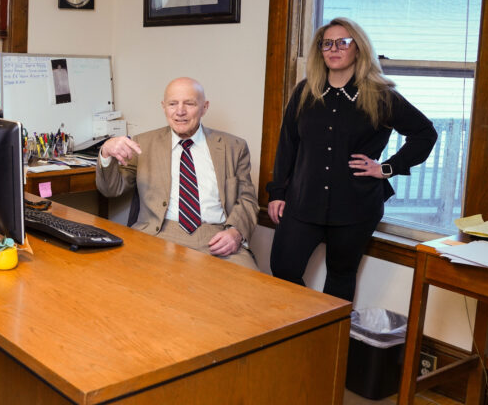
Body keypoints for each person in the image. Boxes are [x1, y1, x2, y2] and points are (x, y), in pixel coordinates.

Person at [267, 18, 437, 302]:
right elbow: (288, 145)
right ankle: (303, 332)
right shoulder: (305, 92)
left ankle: (327, 342)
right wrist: (277, 193)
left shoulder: (380, 96)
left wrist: (386, 168)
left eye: (343, 42)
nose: (334, 48)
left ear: (358, 49)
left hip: (355, 205)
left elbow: (424, 133)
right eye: (327, 43)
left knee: (340, 277)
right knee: (283, 268)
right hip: (303, 201)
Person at [96, 77, 258, 269]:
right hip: (158, 234)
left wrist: (235, 233)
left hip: (216, 238)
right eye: (173, 104)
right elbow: (110, 189)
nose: (180, 111)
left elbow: (247, 199)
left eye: (189, 103)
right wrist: (106, 152)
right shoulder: (143, 144)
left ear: (204, 107)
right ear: (164, 107)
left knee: (251, 291)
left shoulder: (234, 147)